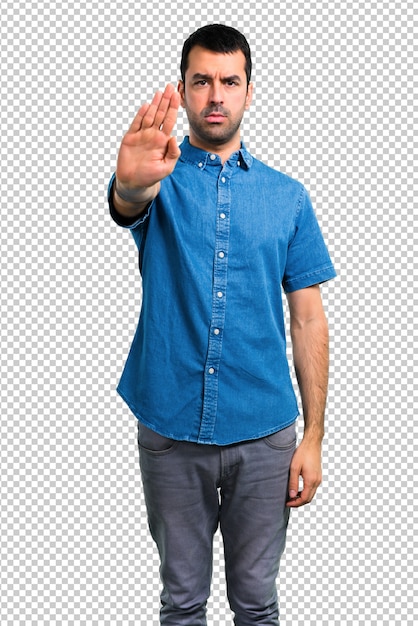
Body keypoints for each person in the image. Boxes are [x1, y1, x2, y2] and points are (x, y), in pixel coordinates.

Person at [108, 24, 336, 626]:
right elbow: (126, 203)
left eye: (229, 81)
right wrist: (129, 185)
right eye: (201, 81)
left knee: (257, 606)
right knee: (182, 605)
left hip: (264, 433)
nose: (216, 95)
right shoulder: (157, 177)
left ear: (248, 92)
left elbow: (308, 316)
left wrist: (313, 436)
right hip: (170, 426)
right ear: (182, 91)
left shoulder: (288, 197)